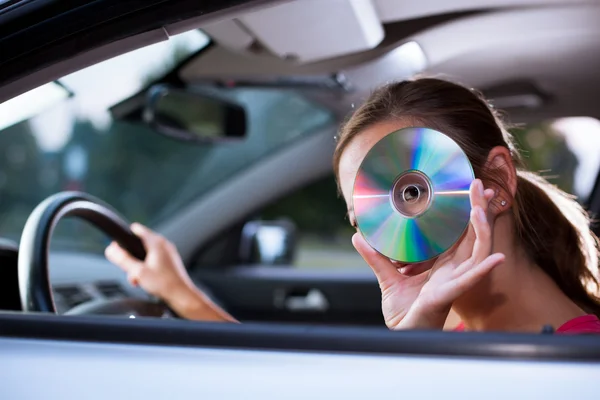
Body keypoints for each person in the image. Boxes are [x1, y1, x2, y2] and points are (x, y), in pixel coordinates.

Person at [105, 77, 600, 334]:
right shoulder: (455, 318)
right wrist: (180, 292)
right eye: (366, 209)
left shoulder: (575, 362)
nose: (396, 224)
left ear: (495, 180)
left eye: (412, 190)